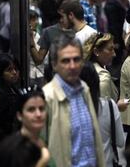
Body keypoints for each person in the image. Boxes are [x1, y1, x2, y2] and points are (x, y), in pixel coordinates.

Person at [43, 34, 104, 167]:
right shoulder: (47, 97)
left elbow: (95, 141)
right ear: (54, 65)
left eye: (76, 59)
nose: (72, 66)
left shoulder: (85, 90)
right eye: (65, 61)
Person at [16, 89, 50, 167]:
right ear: (19, 115)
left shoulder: (41, 141)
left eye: (41, 109)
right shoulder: (14, 149)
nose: (38, 114)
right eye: (31, 110)